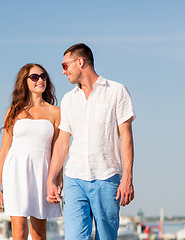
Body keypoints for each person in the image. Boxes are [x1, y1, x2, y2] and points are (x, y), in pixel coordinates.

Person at [46, 43, 136, 239]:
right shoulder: (68, 99)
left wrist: (127, 178)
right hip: (74, 179)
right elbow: (63, 141)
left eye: (65, 65)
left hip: (107, 177)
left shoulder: (117, 91)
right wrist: (51, 178)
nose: (63, 72)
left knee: (106, 236)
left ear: (80, 61)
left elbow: (126, 137)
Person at [0, 63, 62, 240]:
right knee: (19, 232)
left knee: (39, 234)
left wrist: (57, 180)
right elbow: (4, 150)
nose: (40, 80)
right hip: (15, 171)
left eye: (44, 76)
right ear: (24, 82)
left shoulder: (56, 112)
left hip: (42, 173)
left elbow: (58, 150)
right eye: (35, 77)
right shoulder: (13, 111)